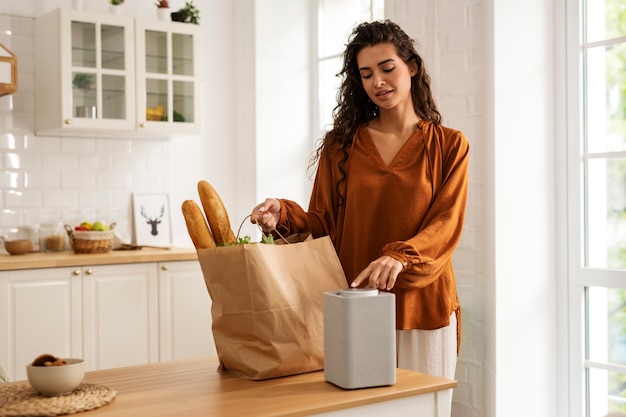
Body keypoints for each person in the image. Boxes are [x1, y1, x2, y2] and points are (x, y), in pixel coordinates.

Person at [250, 20, 469, 387]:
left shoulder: (449, 145)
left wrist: (400, 256)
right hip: (357, 306)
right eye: (366, 74)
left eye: (387, 69)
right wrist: (282, 216)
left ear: (411, 67)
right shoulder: (342, 145)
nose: (378, 82)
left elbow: (446, 223)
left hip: (423, 305)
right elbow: (322, 220)